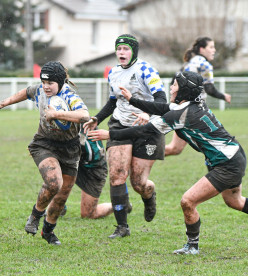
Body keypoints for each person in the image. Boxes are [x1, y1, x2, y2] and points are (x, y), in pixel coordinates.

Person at [87, 71, 247, 254]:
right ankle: (192, 245)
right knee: (235, 202)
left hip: (227, 164)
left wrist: (110, 135)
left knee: (188, 201)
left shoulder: (181, 114)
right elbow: (162, 107)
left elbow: (145, 130)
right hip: (234, 155)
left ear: (184, 89)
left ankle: (192, 246)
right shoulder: (192, 103)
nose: (171, 87)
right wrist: (132, 100)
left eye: (175, 84)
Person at [0, 61, 90, 245]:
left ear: (61, 82)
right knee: (54, 182)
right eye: (43, 82)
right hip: (44, 144)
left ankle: (48, 231)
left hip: (71, 148)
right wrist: (3, 103)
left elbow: (84, 115)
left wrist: (56, 115)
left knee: (62, 196)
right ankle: (35, 215)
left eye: (50, 83)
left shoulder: (69, 96)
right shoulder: (40, 90)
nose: (46, 87)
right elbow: (25, 92)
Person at [83, 34, 167, 239]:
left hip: (147, 129)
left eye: (125, 49)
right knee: (117, 175)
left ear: (134, 51)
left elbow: (162, 100)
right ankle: (122, 227)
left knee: (139, 183)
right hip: (120, 125)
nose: (121, 53)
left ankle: (149, 196)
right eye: (118, 49)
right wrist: (97, 118)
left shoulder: (146, 70)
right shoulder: (113, 73)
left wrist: (147, 113)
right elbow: (113, 102)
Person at [165, 36, 232, 157]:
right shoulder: (205, 65)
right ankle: (141, 155)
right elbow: (209, 89)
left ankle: (140, 156)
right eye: (211, 47)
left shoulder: (189, 63)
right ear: (202, 49)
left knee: (175, 148)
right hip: (193, 112)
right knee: (214, 144)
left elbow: (173, 82)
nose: (214, 50)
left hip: (182, 109)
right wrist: (224, 96)